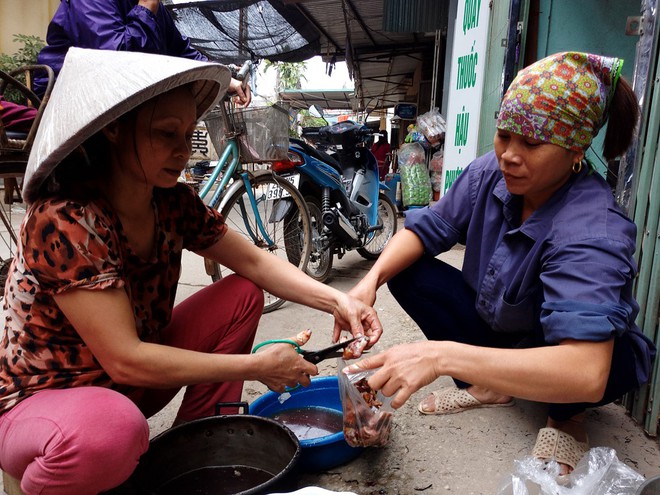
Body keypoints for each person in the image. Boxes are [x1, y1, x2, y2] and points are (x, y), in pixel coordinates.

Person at [0, 47, 382, 495]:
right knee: (111, 434)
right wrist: (259, 365)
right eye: (166, 134)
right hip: (46, 401)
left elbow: (255, 262)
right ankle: (44, 477)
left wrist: (341, 300)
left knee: (241, 294)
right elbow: (124, 358)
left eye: (188, 134)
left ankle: (198, 453)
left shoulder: (172, 202)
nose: (183, 151)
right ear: (115, 131)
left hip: (125, 386)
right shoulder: (65, 218)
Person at [345, 52, 655, 477]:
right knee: (406, 268)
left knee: (599, 358)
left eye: (530, 143)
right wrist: (369, 282)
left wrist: (441, 357)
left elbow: (585, 371)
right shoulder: (491, 172)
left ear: (575, 150)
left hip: (564, 353)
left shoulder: (592, 227)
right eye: (504, 135)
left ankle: (566, 418)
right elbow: (429, 227)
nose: (509, 155)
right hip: (501, 327)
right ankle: (488, 384)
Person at [33, 0, 251, 105]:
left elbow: (181, 52)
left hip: (109, 100)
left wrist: (225, 79)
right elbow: (118, 59)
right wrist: (146, 8)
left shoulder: (153, 8)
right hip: (65, 98)